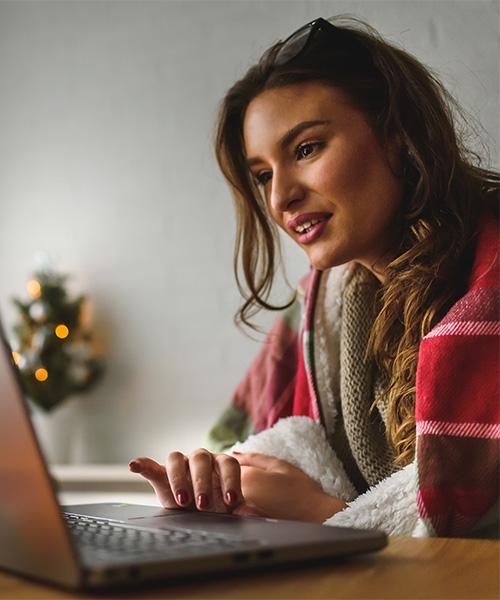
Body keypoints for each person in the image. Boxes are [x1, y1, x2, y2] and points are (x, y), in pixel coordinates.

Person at [129, 17, 499, 537]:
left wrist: (320, 518)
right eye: (262, 176)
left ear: (398, 135)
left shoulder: (490, 288)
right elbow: (257, 447)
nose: (280, 198)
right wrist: (214, 483)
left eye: (306, 149)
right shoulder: (319, 312)